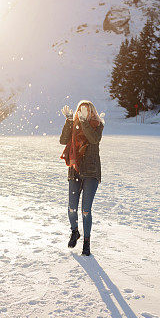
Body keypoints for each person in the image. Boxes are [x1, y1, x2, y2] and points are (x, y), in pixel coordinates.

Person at [59, 100, 104, 256]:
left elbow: (93, 139)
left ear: (92, 111)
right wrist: (69, 121)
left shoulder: (97, 125)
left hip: (91, 172)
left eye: (86, 110)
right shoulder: (74, 124)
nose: (83, 112)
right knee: (72, 208)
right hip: (75, 171)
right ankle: (74, 231)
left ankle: (86, 242)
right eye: (81, 110)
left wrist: (84, 122)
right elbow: (63, 140)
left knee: (86, 210)